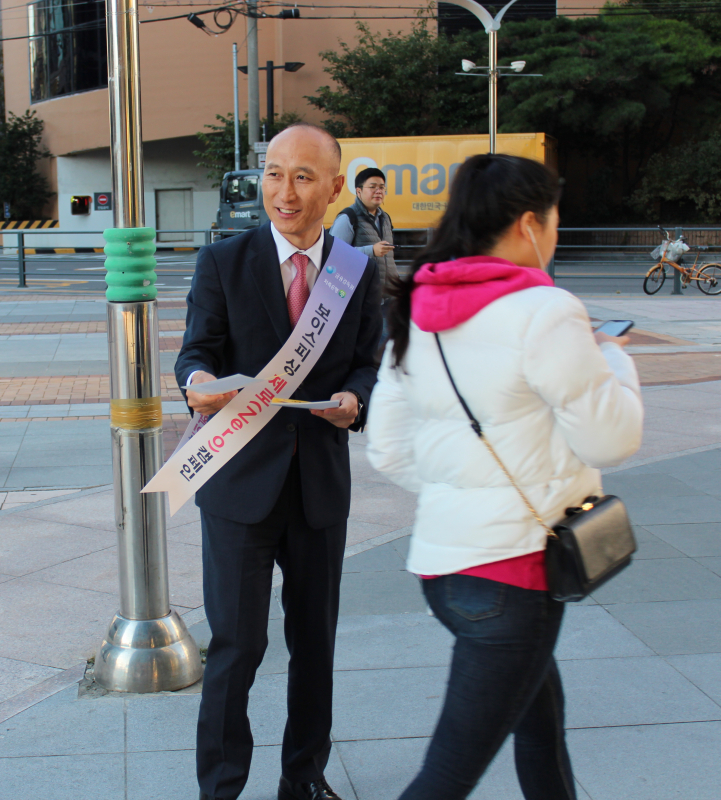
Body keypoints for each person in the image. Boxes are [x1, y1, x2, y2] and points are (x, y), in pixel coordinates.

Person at [365, 154, 643, 800]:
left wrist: (464, 495)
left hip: (444, 570)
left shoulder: (416, 307)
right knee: (444, 778)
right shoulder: (546, 311)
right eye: (552, 221)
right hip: (511, 579)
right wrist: (614, 362)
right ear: (527, 225)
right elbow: (613, 436)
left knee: (539, 720)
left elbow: (387, 450)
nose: (553, 234)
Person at [175, 124, 383, 800]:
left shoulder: (355, 273)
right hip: (238, 486)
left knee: (314, 645)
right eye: (273, 174)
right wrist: (198, 381)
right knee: (236, 647)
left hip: (319, 485)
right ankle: (222, 787)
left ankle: (304, 779)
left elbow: (369, 363)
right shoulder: (223, 263)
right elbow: (195, 352)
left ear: (334, 188)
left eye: (301, 177)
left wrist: (356, 396)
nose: (283, 192)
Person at [329, 167, 397, 287]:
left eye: (382, 187)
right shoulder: (348, 218)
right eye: (372, 187)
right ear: (358, 191)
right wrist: (371, 251)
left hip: (387, 296)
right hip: (360, 294)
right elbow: (335, 255)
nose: (378, 191)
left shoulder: (385, 218)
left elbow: (389, 261)